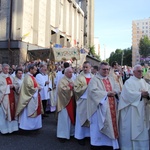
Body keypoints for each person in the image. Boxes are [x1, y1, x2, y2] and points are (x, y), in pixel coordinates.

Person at [87, 62, 120, 150]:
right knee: (98, 127)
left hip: (111, 106)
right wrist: (106, 93)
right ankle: (97, 144)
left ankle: (110, 144)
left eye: (107, 69)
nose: (106, 71)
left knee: (111, 125)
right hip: (99, 109)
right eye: (104, 69)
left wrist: (115, 92)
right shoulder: (94, 80)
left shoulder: (111, 78)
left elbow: (117, 87)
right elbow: (93, 92)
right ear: (99, 70)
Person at [118, 64, 150, 150]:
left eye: (141, 71)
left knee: (142, 131)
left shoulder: (143, 82)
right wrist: (140, 94)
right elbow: (127, 95)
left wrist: (147, 95)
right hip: (132, 111)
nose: (141, 73)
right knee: (131, 130)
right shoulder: (129, 82)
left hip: (142, 110)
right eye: (139, 71)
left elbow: (149, 90)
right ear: (134, 72)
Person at [15, 64, 42, 130]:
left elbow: (36, 85)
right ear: (31, 69)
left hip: (34, 97)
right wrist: (37, 89)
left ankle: (35, 126)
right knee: (29, 111)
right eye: (35, 69)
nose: (36, 71)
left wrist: (39, 87)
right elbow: (28, 88)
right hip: (29, 98)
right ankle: (27, 126)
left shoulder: (32, 77)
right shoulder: (27, 77)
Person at [74, 61, 94, 145]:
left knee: (90, 119)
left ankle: (89, 135)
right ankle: (80, 136)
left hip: (91, 101)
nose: (85, 69)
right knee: (80, 118)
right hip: (82, 100)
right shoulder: (79, 77)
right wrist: (87, 86)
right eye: (84, 67)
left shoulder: (93, 77)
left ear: (90, 68)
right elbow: (76, 89)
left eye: (87, 67)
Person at [57, 67, 75, 143]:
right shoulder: (62, 80)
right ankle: (62, 135)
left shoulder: (71, 80)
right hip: (64, 103)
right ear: (66, 73)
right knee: (64, 119)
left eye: (72, 72)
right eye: (70, 72)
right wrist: (70, 87)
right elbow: (62, 90)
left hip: (71, 101)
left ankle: (70, 133)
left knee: (70, 118)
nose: (71, 74)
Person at [0, 64, 18, 134]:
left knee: (12, 112)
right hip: (4, 99)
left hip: (12, 97)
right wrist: (8, 87)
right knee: (4, 115)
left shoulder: (11, 77)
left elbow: (16, 84)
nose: (7, 70)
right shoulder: (0, 77)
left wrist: (13, 86)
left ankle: (12, 128)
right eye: (5, 69)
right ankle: (4, 130)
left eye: (8, 69)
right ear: (2, 69)